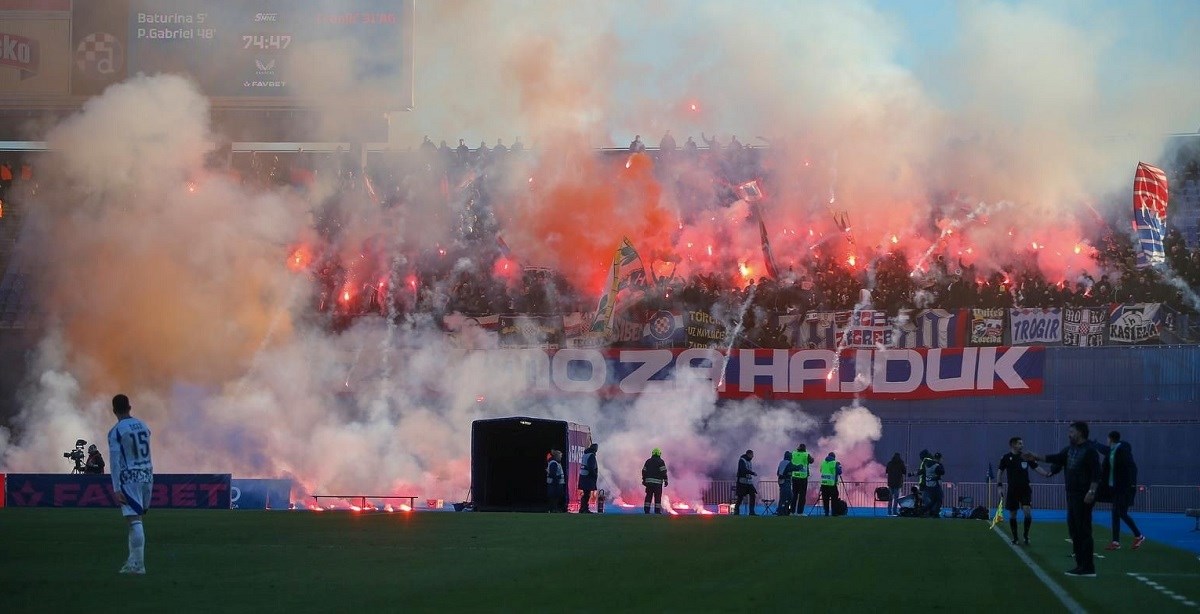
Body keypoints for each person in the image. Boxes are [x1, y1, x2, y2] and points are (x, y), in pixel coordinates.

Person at [1025, 421, 1102, 577]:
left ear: (1080, 432)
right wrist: (1036, 457)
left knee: (1083, 530)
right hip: (1072, 494)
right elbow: (1056, 458)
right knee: (1074, 529)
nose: (1069, 434)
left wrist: (1091, 491)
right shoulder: (1069, 450)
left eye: (1071, 431)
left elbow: (1096, 473)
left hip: (1084, 495)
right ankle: (1080, 565)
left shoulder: (1090, 451)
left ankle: (1088, 567)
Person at [107, 394, 153, 575]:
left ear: (113, 410)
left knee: (134, 520)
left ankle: (138, 565)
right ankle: (132, 560)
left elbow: (115, 460)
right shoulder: (143, 425)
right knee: (137, 519)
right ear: (130, 406)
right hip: (147, 474)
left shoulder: (116, 431)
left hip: (130, 477)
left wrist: (116, 487)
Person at [1101, 431, 1146, 551]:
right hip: (1115, 488)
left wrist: (1130, 485)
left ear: (1110, 439)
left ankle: (1139, 535)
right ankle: (1116, 542)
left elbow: (1131, 469)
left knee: (1120, 512)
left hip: (1123, 488)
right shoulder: (1112, 452)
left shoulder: (1122, 451)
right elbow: (1105, 451)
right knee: (1115, 513)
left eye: (1107, 439)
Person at [998, 437, 1043, 545]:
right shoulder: (1005, 457)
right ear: (1013, 445)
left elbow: (1036, 467)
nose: (1022, 445)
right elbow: (1000, 471)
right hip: (1012, 490)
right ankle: (1015, 537)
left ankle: (1026, 535)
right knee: (1013, 514)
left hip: (1025, 489)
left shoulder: (1026, 456)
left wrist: (1046, 474)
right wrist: (999, 486)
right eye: (1020, 443)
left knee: (1027, 511)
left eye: (1022, 443)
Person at [641, 448, 668, 514]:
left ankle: (646, 511)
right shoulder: (661, 461)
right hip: (658, 484)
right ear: (659, 454)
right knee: (657, 498)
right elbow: (663, 472)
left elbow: (644, 471)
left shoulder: (648, 461)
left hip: (649, 483)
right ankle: (657, 511)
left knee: (648, 496)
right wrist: (666, 480)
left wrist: (644, 480)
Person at [790, 443, 814, 516]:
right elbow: (811, 461)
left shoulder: (793, 453)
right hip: (803, 478)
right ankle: (800, 512)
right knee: (802, 496)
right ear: (805, 448)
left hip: (794, 477)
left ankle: (792, 512)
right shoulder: (806, 454)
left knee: (794, 495)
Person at [920, 452, 945, 517]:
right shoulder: (937, 465)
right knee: (939, 498)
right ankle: (935, 513)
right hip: (935, 485)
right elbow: (942, 472)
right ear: (939, 458)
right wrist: (940, 464)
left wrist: (912, 474)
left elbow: (922, 471)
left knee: (933, 500)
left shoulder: (927, 464)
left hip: (928, 485)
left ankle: (923, 511)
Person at [734, 449, 757, 515]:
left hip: (749, 482)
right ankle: (736, 511)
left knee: (753, 495)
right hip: (742, 482)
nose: (753, 456)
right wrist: (752, 473)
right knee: (740, 497)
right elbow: (743, 470)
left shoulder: (749, 461)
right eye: (752, 455)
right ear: (748, 454)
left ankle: (751, 512)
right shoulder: (742, 460)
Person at [578, 443, 599, 513]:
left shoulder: (585, 454)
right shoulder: (591, 455)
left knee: (585, 494)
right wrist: (595, 475)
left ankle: (582, 508)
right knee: (587, 494)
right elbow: (591, 468)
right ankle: (585, 509)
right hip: (588, 477)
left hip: (583, 476)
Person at [775, 451, 795, 516]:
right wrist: (800, 466)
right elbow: (794, 467)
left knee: (786, 496)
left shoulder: (781, 462)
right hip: (786, 481)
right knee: (787, 497)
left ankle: (784, 510)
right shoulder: (788, 463)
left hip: (782, 481)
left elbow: (778, 472)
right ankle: (781, 511)